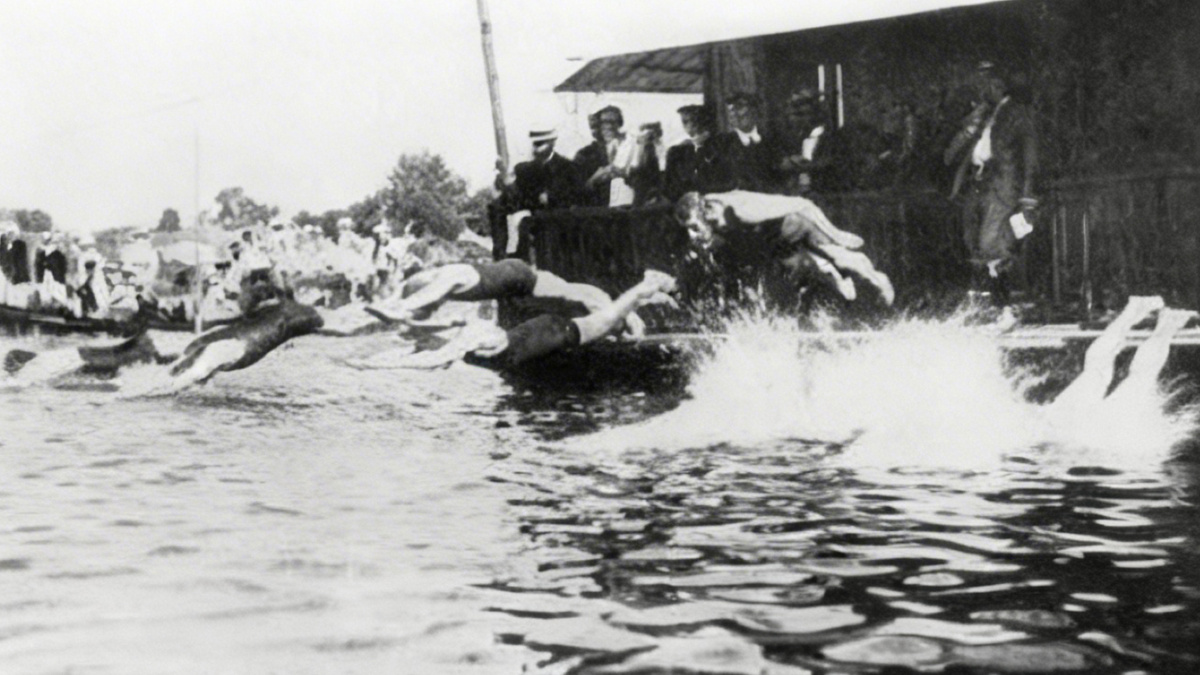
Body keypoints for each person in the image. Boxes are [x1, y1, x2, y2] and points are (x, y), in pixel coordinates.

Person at [347, 270, 676, 371]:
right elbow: (433, 348)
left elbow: (431, 355)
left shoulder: (471, 343)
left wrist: (373, 365)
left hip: (544, 331)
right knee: (605, 317)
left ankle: (645, 291)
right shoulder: (473, 339)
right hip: (544, 331)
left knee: (605, 317)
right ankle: (644, 293)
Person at [674, 190, 894, 306]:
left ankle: (876, 278)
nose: (693, 234)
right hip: (774, 237)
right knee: (813, 273)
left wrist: (836, 234)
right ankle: (839, 280)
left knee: (839, 257)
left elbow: (802, 203)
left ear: (707, 213)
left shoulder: (741, 211)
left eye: (694, 227)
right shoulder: (710, 213)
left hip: (798, 222)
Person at [945, 61, 1039, 304]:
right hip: (980, 182)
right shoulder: (986, 114)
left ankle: (1005, 304)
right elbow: (959, 151)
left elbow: (1029, 156)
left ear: (997, 85)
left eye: (984, 84)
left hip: (1004, 186)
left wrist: (1027, 197)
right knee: (973, 241)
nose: (981, 90)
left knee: (992, 243)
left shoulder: (1017, 113)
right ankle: (993, 301)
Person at [364, 258, 646, 337]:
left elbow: (422, 304)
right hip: (514, 278)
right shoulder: (423, 287)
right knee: (574, 293)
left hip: (513, 276)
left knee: (578, 293)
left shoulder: (446, 277)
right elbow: (417, 323)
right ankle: (624, 315)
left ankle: (626, 314)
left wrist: (402, 308)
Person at [491, 128, 581, 259]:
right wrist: (505, 184)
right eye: (534, 144)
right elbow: (518, 195)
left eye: (540, 144)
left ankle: (528, 259)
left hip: (557, 213)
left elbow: (572, 196)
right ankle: (501, 256)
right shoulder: (525, 169)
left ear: (552, 143)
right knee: (497, 207)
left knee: (529, 222)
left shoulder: (567, 167)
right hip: (532, 210)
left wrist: (550, 197)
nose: (536, 149)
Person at [663, 104, 739, 202]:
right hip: (685, 202)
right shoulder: (676, 152)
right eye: (684, 122)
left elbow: (729, 182)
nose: (689, 125)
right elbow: (669, 188)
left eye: (688, 121)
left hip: (716, 199)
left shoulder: (722, 145)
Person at [721, 93, 784, 194]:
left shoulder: (772, 140)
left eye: (739, 107)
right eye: (730, 110)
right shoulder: (721, 143)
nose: (734, 114)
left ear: (755, 110)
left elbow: (780, 175)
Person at [572, 112, 610, 207]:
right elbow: (575, 190)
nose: (596, 131)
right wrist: (594, 179)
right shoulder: (584, 154)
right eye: (593, 127)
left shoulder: (627, 149)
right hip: (597, 208)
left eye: (600, 125)